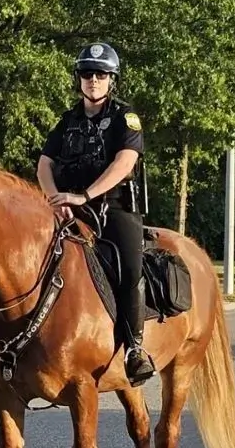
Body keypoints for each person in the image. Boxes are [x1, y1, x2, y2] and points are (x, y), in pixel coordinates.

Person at [37, 42, 156, 386]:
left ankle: (134, 349)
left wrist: (85, 195)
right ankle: (8, 337)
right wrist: (54, 199)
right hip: (69, 209)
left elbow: (125, 162)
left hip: (114, 209)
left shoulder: (125, 116)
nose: (93, 80)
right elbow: (45, 163)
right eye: (87, 74)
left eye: (101, 74)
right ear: (79, 79)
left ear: (111, 80)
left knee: (131, 267)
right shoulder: (67, 120)